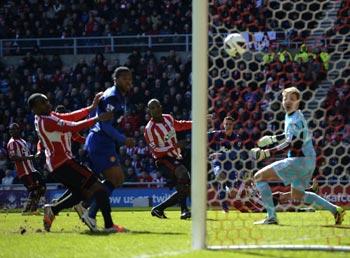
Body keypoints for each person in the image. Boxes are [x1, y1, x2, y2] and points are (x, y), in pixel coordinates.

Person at [28, 92, 127, 233]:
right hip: (64, 163)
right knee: (99, 188)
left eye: (46, 101)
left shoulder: (45, 117)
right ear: (34, 109)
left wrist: (91, 107)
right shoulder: (46, 121)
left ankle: (53, 209)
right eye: (42, 103)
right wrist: (97, 118)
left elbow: (70, 117)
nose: (47, 104)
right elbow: (72, 126)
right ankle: (108, 225)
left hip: (57, 166)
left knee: (82, 193)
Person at [250, 87, 345, 224]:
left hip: (298, 160)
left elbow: (293, 143)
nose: (288, 101)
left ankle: (271, 217)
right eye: (285, 98)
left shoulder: (295, 119)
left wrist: (267, 153)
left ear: (298, 102)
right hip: (308, 162)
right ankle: (336, 210)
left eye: (292, 99)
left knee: (258, 177)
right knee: (298, 195)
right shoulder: (293, 116)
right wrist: (273, 138)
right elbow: (290, 135)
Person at [84, 66, 135, 226]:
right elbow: (105, 125)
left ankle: (85, 208)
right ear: (116, 79)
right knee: (116, 178)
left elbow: (100, 118)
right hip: (100, 142)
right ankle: (90, 213)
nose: (129, 81)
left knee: (96, 182)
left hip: (101, 142)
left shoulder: (115, 95)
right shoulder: (113, 96)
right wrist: (123, 139)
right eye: (125, 78)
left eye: (130, 79)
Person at [144, 98, 191, 220]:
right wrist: (175, 146)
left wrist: (196, 122)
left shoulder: (168, 118)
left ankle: (158, 209)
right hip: (163, 160)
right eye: (152, 108)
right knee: (183, 173)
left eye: (157, 106)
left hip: (176, 155)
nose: (156, 109)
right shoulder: (149, 129)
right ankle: (184, 210)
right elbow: (156, 151)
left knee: (187, 187)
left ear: (161, 107)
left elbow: (179, 125)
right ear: (149, 111)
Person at [7, 123, 46, 214]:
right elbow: (13, 158)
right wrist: (28, 158)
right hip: (24, 171)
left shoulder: (23, 141)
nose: (11, 132)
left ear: (18, 130)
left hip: (31, 169)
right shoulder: (12, 143)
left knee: (42, 187)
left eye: (14, 129)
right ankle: (27, 210)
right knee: (34, 189)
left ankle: (33, 209)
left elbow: (25, 154)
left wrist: (33, 156)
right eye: (10, 130)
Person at [208, 116, 242, 213]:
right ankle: (224, 208)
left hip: (230, 165)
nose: (227, 126)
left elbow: (234, 154)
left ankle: (229, 188)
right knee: (221, 178)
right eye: (226, 124)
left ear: (233, 125)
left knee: (231, 189)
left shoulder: (237, 138)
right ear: (223, 124)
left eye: (230, 124)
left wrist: (219, 154)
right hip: (217, 163)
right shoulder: (217, 134)